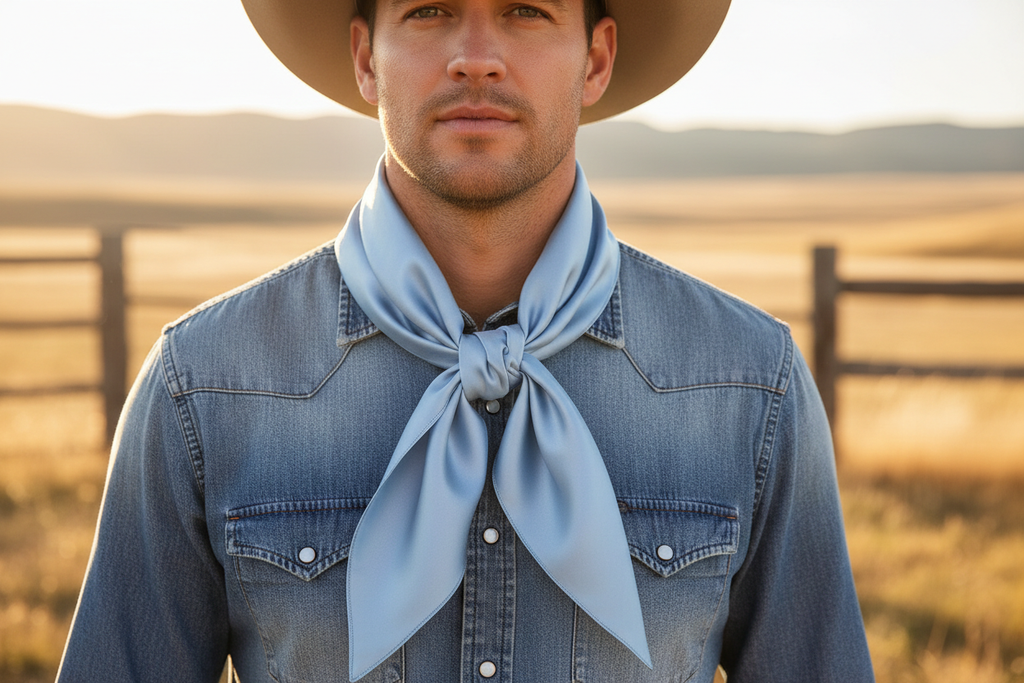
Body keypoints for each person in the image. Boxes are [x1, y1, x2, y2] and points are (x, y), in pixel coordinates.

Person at [58, 0, 875, 681]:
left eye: (524, 11)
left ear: (595, 60)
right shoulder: (203, 386)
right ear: (366, 58)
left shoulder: (749, 385)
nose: (475, 58)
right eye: (430, 10)